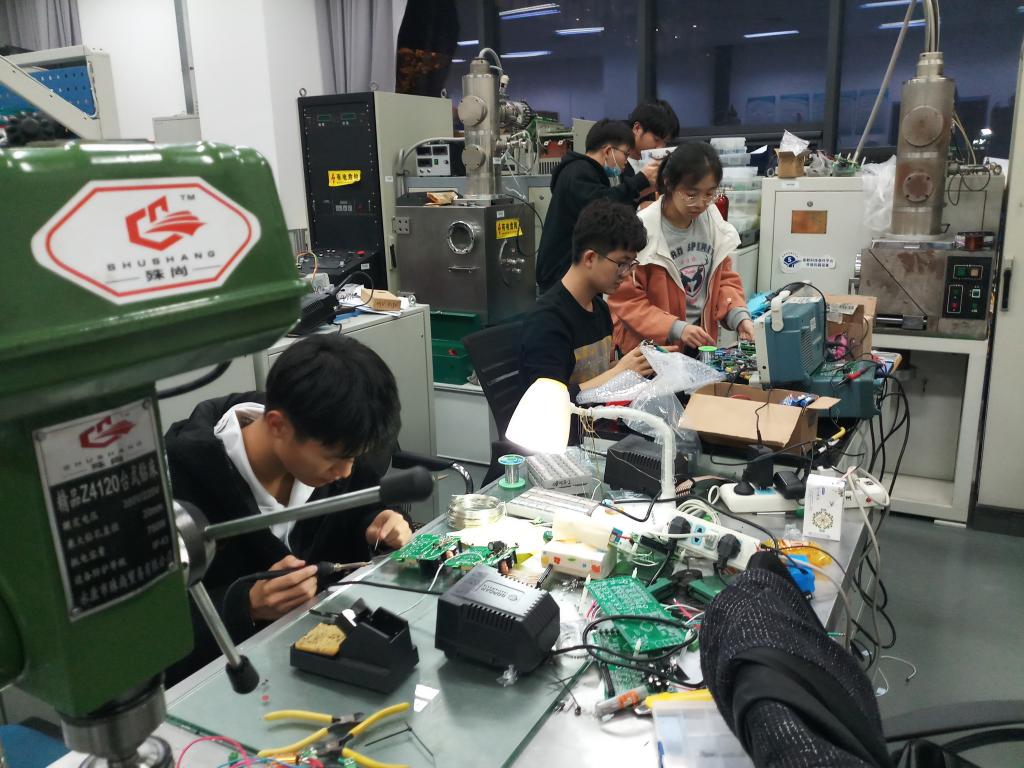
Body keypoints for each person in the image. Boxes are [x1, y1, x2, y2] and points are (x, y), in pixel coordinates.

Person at [163, 334, 412, 684]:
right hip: (226, 685)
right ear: (278, 426)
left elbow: (361, 508)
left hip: (326, 664)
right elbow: (147, 636)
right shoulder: (177, 485)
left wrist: (379, 523)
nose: (346, 472)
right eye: (337, 459)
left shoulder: (330, 447)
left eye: (355, 459)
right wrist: (245, 605)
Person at [608, 141, 754, 354]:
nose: (701, 203)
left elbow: (723, 279)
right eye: (691, 194)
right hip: (651, 350)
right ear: (669, 183)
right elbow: (626, 300)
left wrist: (739, 316)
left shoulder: (712, 221)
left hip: (698, 343)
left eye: (709, 194)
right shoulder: (642, 229)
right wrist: (675, 328)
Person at [521, 199, 653, 406]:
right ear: (590, 258)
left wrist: (635, 364)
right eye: (622, 263)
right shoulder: (546, 321)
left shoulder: (600, 308)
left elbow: (597, 375)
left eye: (631, 264)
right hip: (567, 425)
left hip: (599, 419)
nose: (626, 273)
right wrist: (620, 370)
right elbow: (548, 404)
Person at [535, 119, 661, 293]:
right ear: (608, 151)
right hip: (561, 275)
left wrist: (641, 192)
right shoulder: (578, 171)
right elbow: (600, 210)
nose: (626, 161)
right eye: (625, 154)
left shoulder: (586, 172)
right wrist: (639, 180)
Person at [622, 99, 680, 206]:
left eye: (665, 142)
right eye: (656, 139)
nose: (660, 148)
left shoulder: (663, 165)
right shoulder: (615, 163)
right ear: (637, 128)